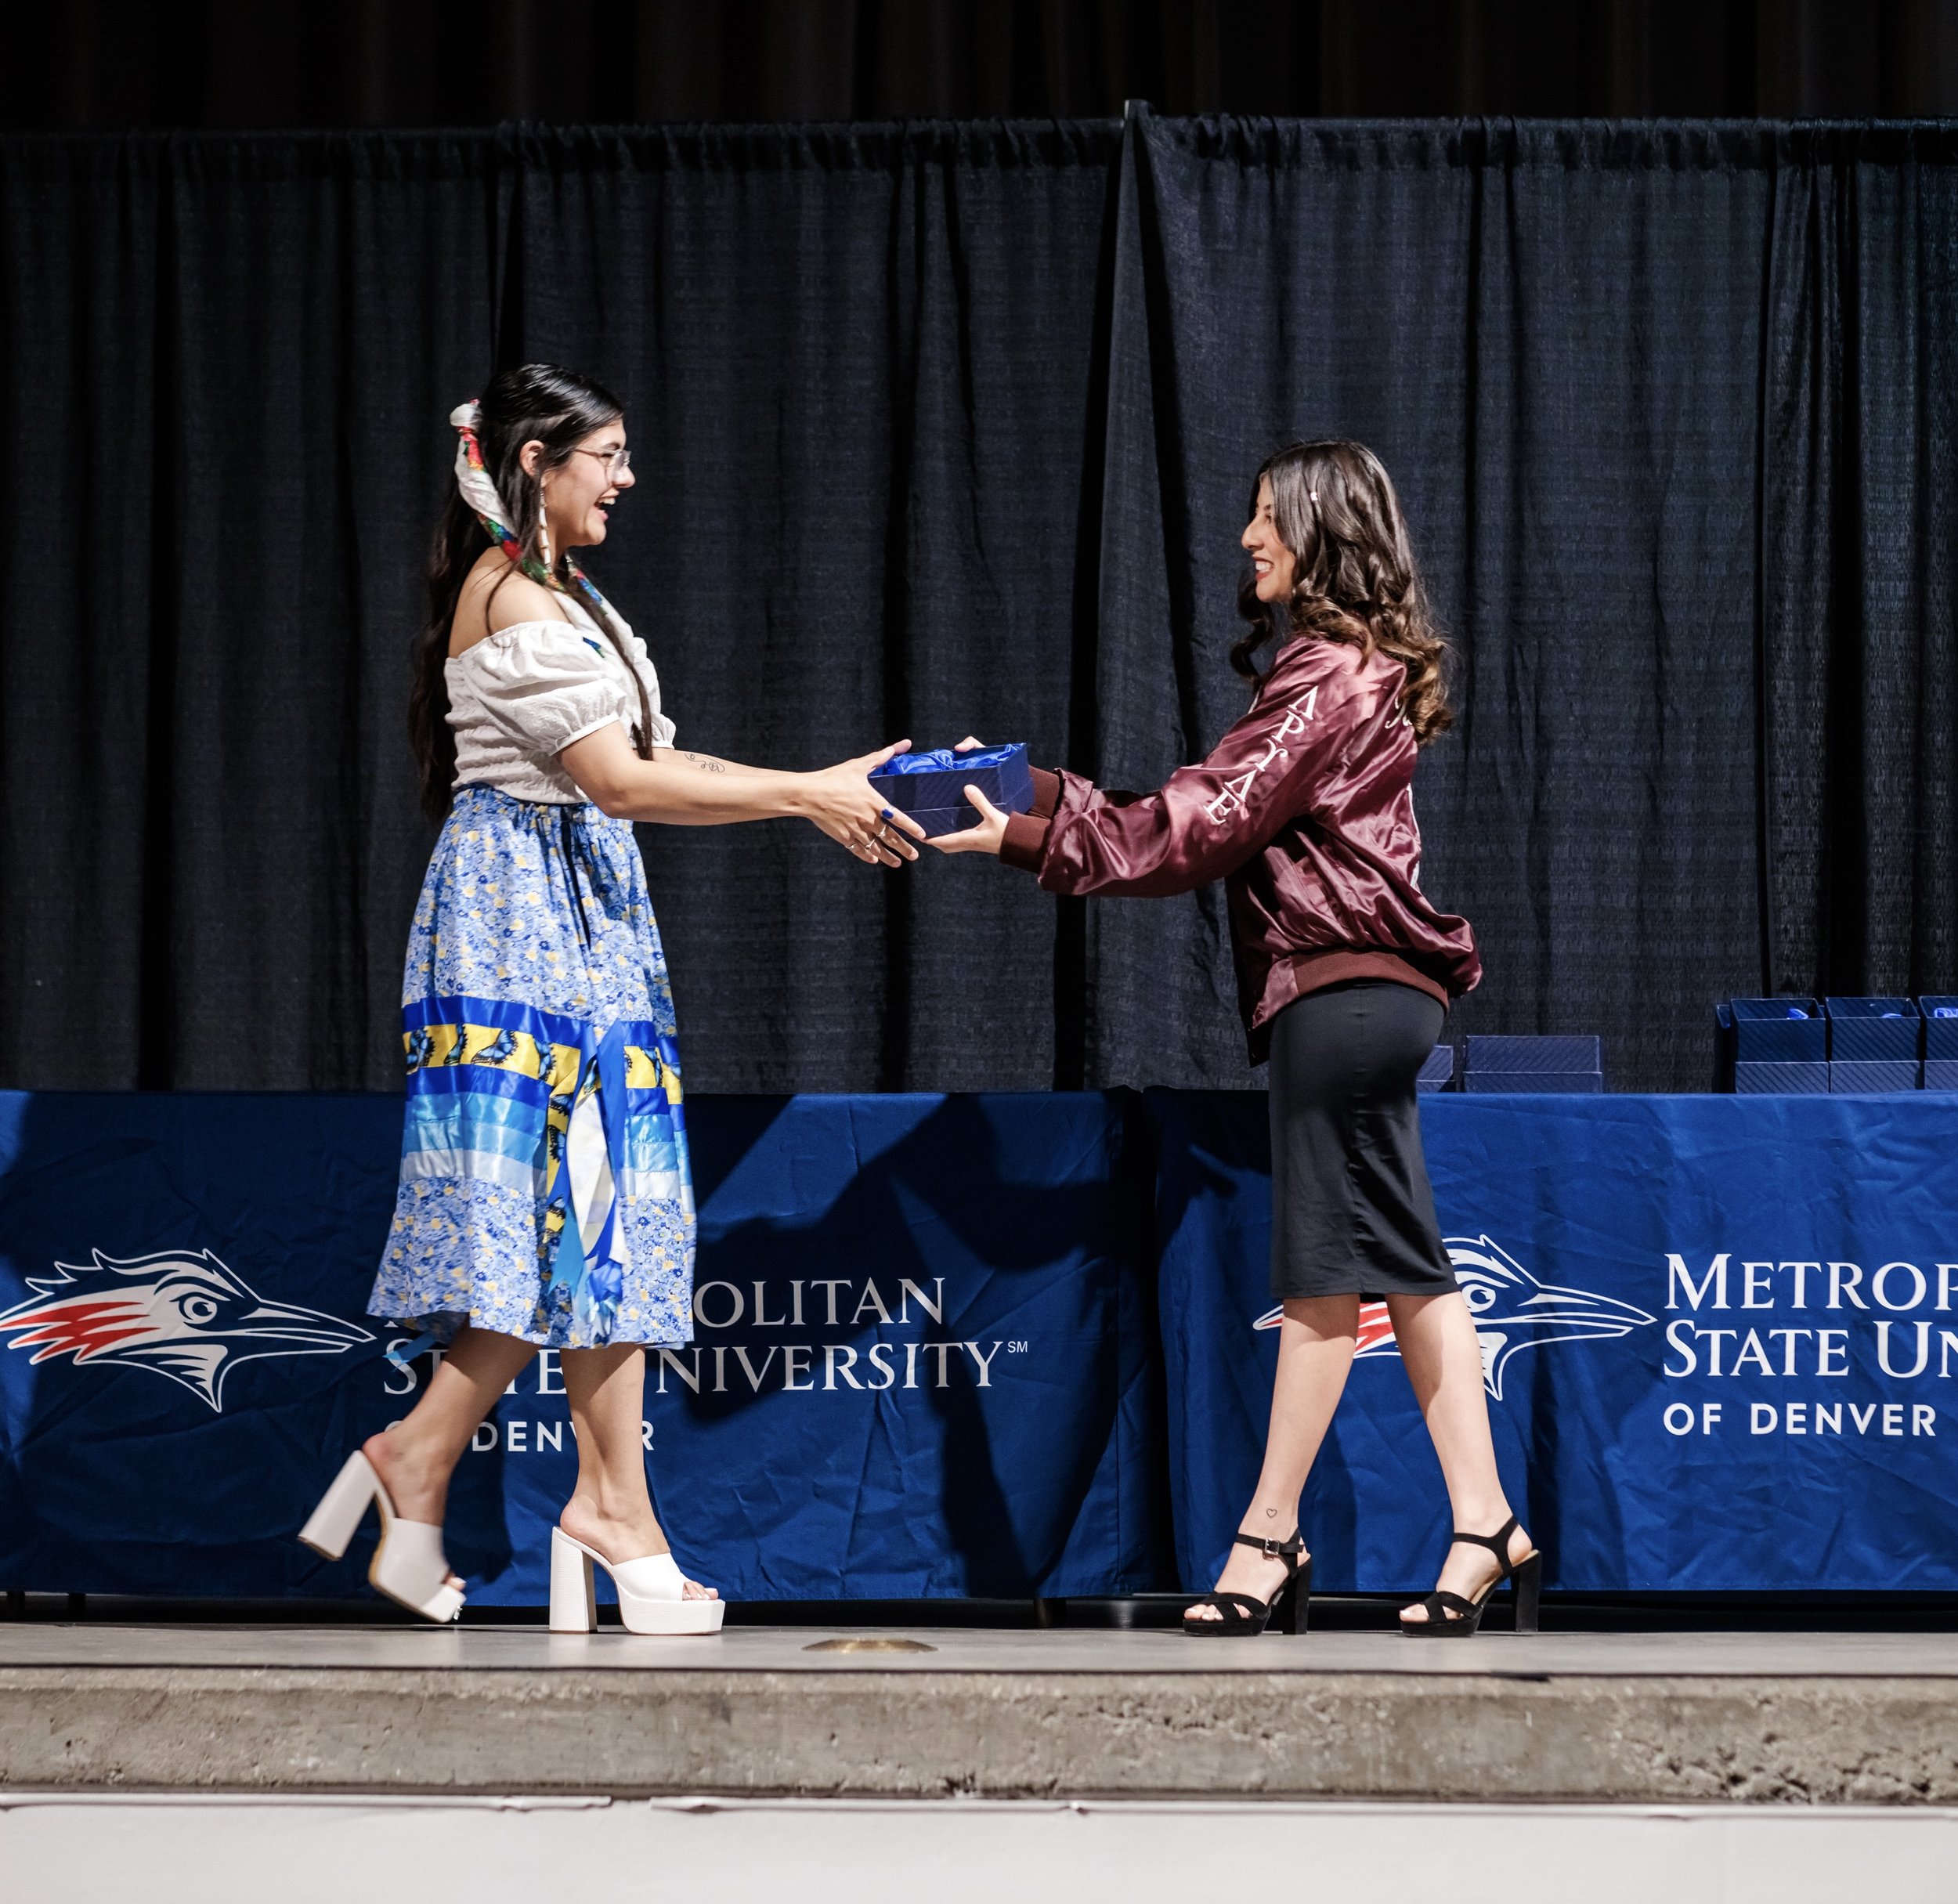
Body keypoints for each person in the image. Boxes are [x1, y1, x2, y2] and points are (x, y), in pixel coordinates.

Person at [300, 363, 924, 1631]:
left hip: (581, 912)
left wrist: (815, 783)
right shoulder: (514, 593)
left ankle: (455, 1476)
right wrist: (808, 794)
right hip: (521, 922)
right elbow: (624, 783)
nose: (627, 479)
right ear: (537, 462)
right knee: (571, 1211)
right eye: (609, 456)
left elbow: (646, 761)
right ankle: (582, 1501)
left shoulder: (565, 596)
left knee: (605, 1215)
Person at [936, 439, 1539, 1638]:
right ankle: (1485, 1523)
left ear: (1318, 531)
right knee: (1406, 1266)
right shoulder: (1344, 673)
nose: (1248, 539)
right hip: (1367, 995)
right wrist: (1034, 793)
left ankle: (1268, 1535)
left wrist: (1020, 838)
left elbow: (1195, 828)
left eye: (1265, 517)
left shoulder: (1325, 679)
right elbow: (1200, 801)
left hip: (1346, 998)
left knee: (1322, 1272)